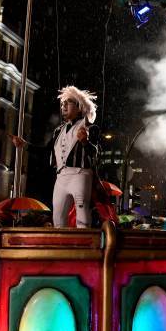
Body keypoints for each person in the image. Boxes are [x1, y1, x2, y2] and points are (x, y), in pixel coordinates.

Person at [11, 85, 99, 228]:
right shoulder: (58, 131)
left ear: (79, 107)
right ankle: (61, 246)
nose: (64, 106)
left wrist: (85, 142)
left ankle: (85, 245)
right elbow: (47, 151)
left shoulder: (89, 127)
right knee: (57, 217)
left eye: (68, 102)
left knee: (82, 216)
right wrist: (24, 145)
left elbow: (95, 153)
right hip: (61, 177)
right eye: (62, 103)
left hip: (80, 173)